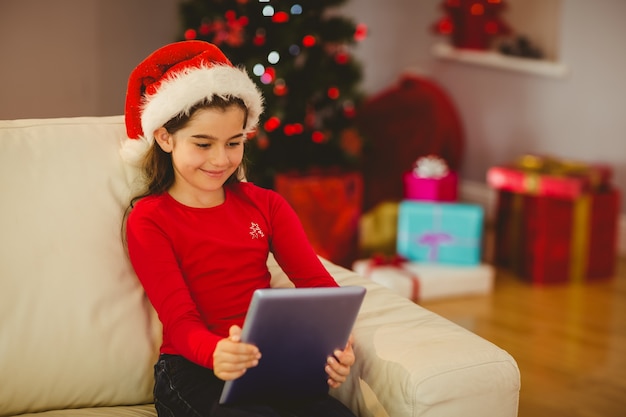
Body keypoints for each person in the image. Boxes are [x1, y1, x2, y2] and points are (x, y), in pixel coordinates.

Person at [121, 40, 358, 417]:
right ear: (165, 138)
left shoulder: (266, 204)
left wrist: (336, 344)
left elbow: (319, 288)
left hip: (270, 363)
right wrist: (216, 352)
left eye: (234, 143)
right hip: (191, 369)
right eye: (203, 143)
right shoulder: (150, 219)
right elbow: (179, 322)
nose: (221, 159)